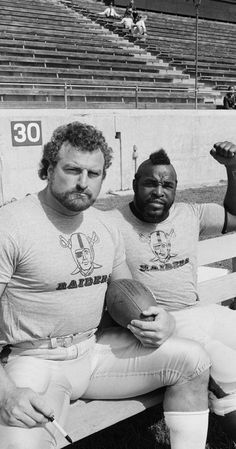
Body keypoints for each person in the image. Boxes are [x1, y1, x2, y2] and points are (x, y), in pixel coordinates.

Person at [0, 121, 210, 449]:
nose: (83, 182)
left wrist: (160, 318)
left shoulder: (105, 225)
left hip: (94, 352)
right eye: (72, 169)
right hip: (36, 360)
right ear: (48, 168)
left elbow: (126, 288)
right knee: (19, 440)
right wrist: (7, 393)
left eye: (93, 174)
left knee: (193, 360)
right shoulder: (11, 224)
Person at [109, 141, 236, 442]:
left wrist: (232, 169)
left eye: (167, 184)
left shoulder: (190, 213)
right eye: (150, 183)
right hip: (165, 323)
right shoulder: (112, 223)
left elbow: (234, 216)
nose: (158, 191)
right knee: (230, 369)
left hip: (201, 311)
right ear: (134, 184)